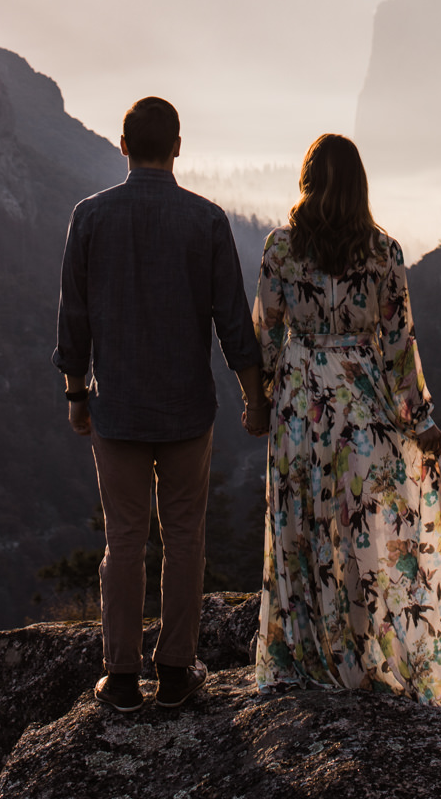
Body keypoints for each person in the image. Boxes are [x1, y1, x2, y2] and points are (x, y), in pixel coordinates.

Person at [253, 134, 441, 700]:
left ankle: (306, 657)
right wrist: (418, 416)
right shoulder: (383, 252)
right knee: (366, 531)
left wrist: (261, 397)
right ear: (360, 184)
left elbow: (265, 331)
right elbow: (398, 343)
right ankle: (370, 655)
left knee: (303, 527)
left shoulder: (280, 248)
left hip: (300, 405)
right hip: (362, 402)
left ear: (307, 180)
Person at [54, 95, 270, 714]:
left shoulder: (89, 217)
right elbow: (233, 321)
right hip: (185, 412)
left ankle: (120, 678)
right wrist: (253, 397)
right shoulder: (205, 221)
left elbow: (74, 314)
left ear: (123, 145)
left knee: (123, 540)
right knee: (184, 539)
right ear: (177, 147)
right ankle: (175, 671)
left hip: (116, 408)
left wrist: (75, 392)